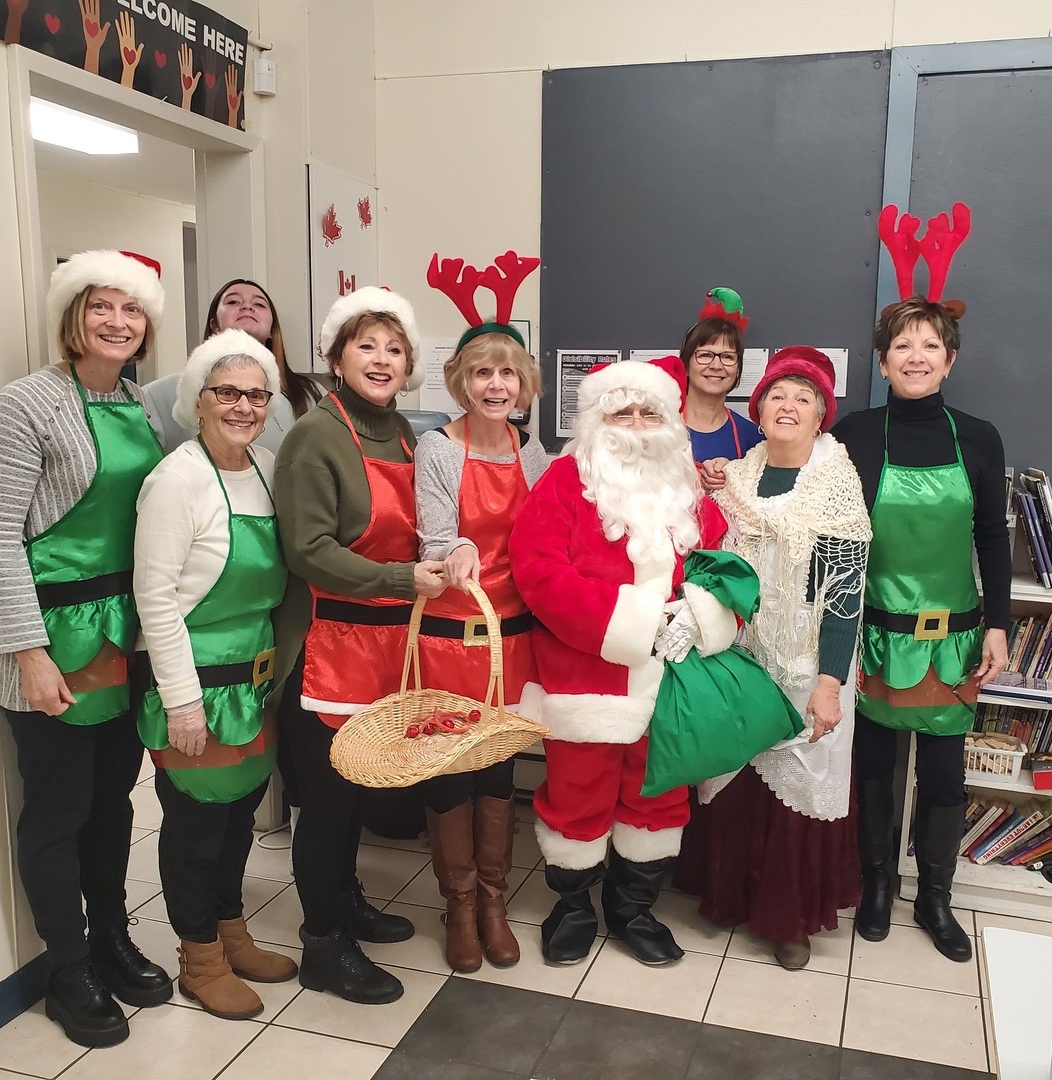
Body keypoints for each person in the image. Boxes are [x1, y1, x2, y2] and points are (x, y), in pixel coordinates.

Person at [0, 250, 172, 1048]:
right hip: (51, 643)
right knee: (57, 812)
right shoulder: (26, 405)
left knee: (113, 804)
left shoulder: (144, 410)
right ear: (73, 314)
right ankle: (66, 966)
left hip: (123, 637)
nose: (118, 322)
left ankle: (111, 939)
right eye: (103, 306)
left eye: (132, 311)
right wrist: (27, 653)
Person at [509, 357, 734, 966]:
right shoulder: (563, 481)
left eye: (648, 412)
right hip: (587, 676)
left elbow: (720, 568)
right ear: (596, 420)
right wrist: (631, 623)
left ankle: (633, 909)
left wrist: (700, 616)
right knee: (577, 796)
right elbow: (538, 570)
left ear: (668, 421)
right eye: (621, 411)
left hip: (673, 676)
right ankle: (573, 907)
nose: (635, 424)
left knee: (657, 797)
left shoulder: (689, 489)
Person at [272, 286, 445, 1004]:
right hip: (326, 647)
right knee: (329, 802)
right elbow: (306, 549)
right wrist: (403, 578)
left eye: (394, 348)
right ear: (335, 355)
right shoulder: (318, 433)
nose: (381, 358)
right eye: (365, 345)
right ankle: (322, 944)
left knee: (360, 791)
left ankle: (344, 899)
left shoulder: (405, 432)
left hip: (384, 643)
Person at [675, 347, 872, 970]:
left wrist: (830, 683)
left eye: (804, 398)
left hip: (805, 665)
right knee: (736, 779)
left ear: (822, 416)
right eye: (777, 396)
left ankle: (788, 919)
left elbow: (846, 599)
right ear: (757, 411)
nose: (788, 406)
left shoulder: (838, 487)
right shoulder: (735, 477)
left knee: (798, 788)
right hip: (740, 658)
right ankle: (729, 895)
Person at [834, 286, 1010, 963]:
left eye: (930, 345)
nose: (916, 356)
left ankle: (935, 896)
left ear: (950, 359)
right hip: (876, 631)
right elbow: (835, 536)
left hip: (957, 635)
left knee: (943, 777)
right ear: (882, 362)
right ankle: (875, 885)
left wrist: (996, 625)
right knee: (873, 766)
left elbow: (992, 537)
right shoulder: (854, 433)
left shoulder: (980, 437)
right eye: (902, 345)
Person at [134, 328, 297, 1021]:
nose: (243, 406)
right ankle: (198, 956)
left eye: (256, 395)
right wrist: (182, 702)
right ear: (198, 401)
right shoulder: (177, 481)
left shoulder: (263, 467)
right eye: (227, 392)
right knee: (196, 828)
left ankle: (232, 932)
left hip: (253, 686)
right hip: (195, 685)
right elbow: (156, 598)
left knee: (236, 823)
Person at [418, 252, 548, 972]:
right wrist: (460, 547)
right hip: (451, 638)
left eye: (507, 373)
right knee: (449, 768)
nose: (495, 384)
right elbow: (437, 535)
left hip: (515, 642)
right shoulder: (436, 449)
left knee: (498, 770)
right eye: (481, 372)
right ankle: (458, 904)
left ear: (523, 384)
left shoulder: (536, 455)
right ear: (462, 382)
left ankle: (494, 898)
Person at [143, 278, 321, 454]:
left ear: (271, 330)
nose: (246, 307)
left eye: (259, 304)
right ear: (214, 325)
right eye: (233, 301)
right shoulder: (160, 395)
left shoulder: (311, 393)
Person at [681, 287, 764, 465]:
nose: (716, 366)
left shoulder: (751, 438)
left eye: (727, 357)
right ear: (686, 364)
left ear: (737, 368)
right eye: (705, 355)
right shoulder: (656, 425)